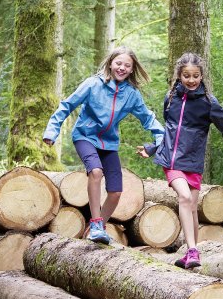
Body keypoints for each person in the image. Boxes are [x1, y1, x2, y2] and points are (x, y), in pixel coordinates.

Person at [137, 53, 223, 269]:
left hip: (193, 162)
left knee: (193, 207)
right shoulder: (171, 99)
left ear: (201, 76)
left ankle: (190, 255)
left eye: (195, 76)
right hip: (172, 161)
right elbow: (170, 132)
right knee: (185, 199)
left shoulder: (208, 102)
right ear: (179, 75)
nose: (191, 80)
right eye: (186, 75)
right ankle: (193, 249)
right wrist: (153, 148)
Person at [43, 46, 165, 245]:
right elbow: (67, 105)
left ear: (132, 69)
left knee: (116, 192)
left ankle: (96, 229)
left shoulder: (132, 94)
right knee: (96, 172)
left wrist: (159, 140)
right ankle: (97, 221)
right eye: (119, 63)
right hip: (85, 136)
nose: (122, 68)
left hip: (109, 143)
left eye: (127, 65)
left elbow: (148, 118)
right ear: (110, 63)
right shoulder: (93, 84)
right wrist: (52, 131)